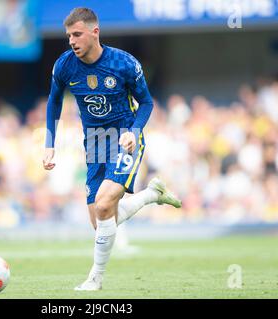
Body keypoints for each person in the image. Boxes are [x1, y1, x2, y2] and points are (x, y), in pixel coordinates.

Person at [42, 8, 182, 291]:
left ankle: (95, 279)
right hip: (93, 142)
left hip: (124, 139)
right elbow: (54, 103)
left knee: (106, 205)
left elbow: (146, 103)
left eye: (77, 34)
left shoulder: (124, 63)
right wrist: (49, 144)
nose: (71, 40)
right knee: (100, 221)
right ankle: (151, 195)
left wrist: (134, 132)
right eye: (69, 35)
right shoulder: (64, 65)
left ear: (95, 32)